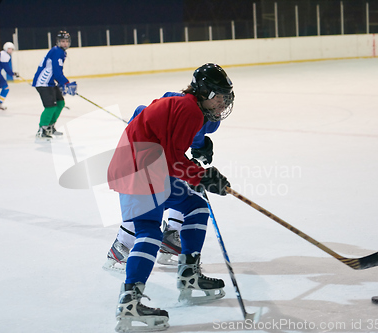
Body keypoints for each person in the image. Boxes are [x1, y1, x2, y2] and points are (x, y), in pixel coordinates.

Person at [107, 63, 234, 332]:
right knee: (149, 232)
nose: (224, 103)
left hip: (148, 168)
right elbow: (172, 158)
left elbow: (171, 152)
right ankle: (130, 303)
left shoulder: (187, 105)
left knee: (196, 206)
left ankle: (189, 275)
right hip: (140, 170)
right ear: (207, 93)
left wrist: (199, 172)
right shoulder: (189, 109)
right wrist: (202, 176)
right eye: (221, 96)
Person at [103, 91, 220, 272]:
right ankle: (124, 244)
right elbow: (143, 112)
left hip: (158, 160)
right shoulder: (187, 109)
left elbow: (187, 140)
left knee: (185, 191)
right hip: (143, 163)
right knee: (149, 210)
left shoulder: (201, 114)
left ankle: (170, 236)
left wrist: (199, 147)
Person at [32, 31, 77, 140]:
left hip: (50, 82)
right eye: (62, 41)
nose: (65, 43)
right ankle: (42, 129)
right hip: (43, 83)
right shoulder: (57, 52)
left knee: (60, 103)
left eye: (66, 41)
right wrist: (66, 83)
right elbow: (57, 72)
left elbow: (56, 73)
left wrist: (62, 83)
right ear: (58, 42)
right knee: (50, 106)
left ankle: (50, 127)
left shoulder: (60, 52)